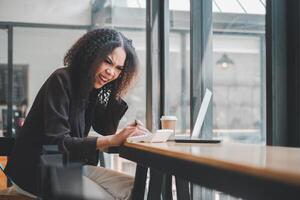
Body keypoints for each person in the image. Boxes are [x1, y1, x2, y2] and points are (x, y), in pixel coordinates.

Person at [4, 28, 148, 199]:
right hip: (38, 170)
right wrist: (113, 140)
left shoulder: (92, 87)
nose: (111, 72)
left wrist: (115, 90)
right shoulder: (61, 79)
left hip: (69, 166)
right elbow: (58, 142)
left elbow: (105, 129)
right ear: (91, 55)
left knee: (138, 189)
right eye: (107, 62)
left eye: (118, 69)